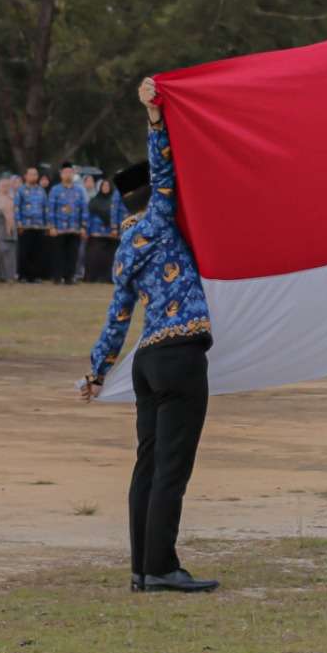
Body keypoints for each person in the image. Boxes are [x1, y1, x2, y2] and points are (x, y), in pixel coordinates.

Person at [79, 76, 217, 594]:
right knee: (172, 469)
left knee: (148, 465)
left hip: (145, 361)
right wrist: (155, 120)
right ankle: (161, 566)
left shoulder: (125, 249)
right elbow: (163, 172)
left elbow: (117, 319)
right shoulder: (162, 218)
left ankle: (142, 567)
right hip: (181, 357)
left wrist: (96, 371)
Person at [0, 174, 19, 284]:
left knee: (11, 253)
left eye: (7, 186)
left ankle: (8, 276)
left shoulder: (14, 199)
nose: (5, 187)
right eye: (3, 185)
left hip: (11, 229)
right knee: (2, 251)